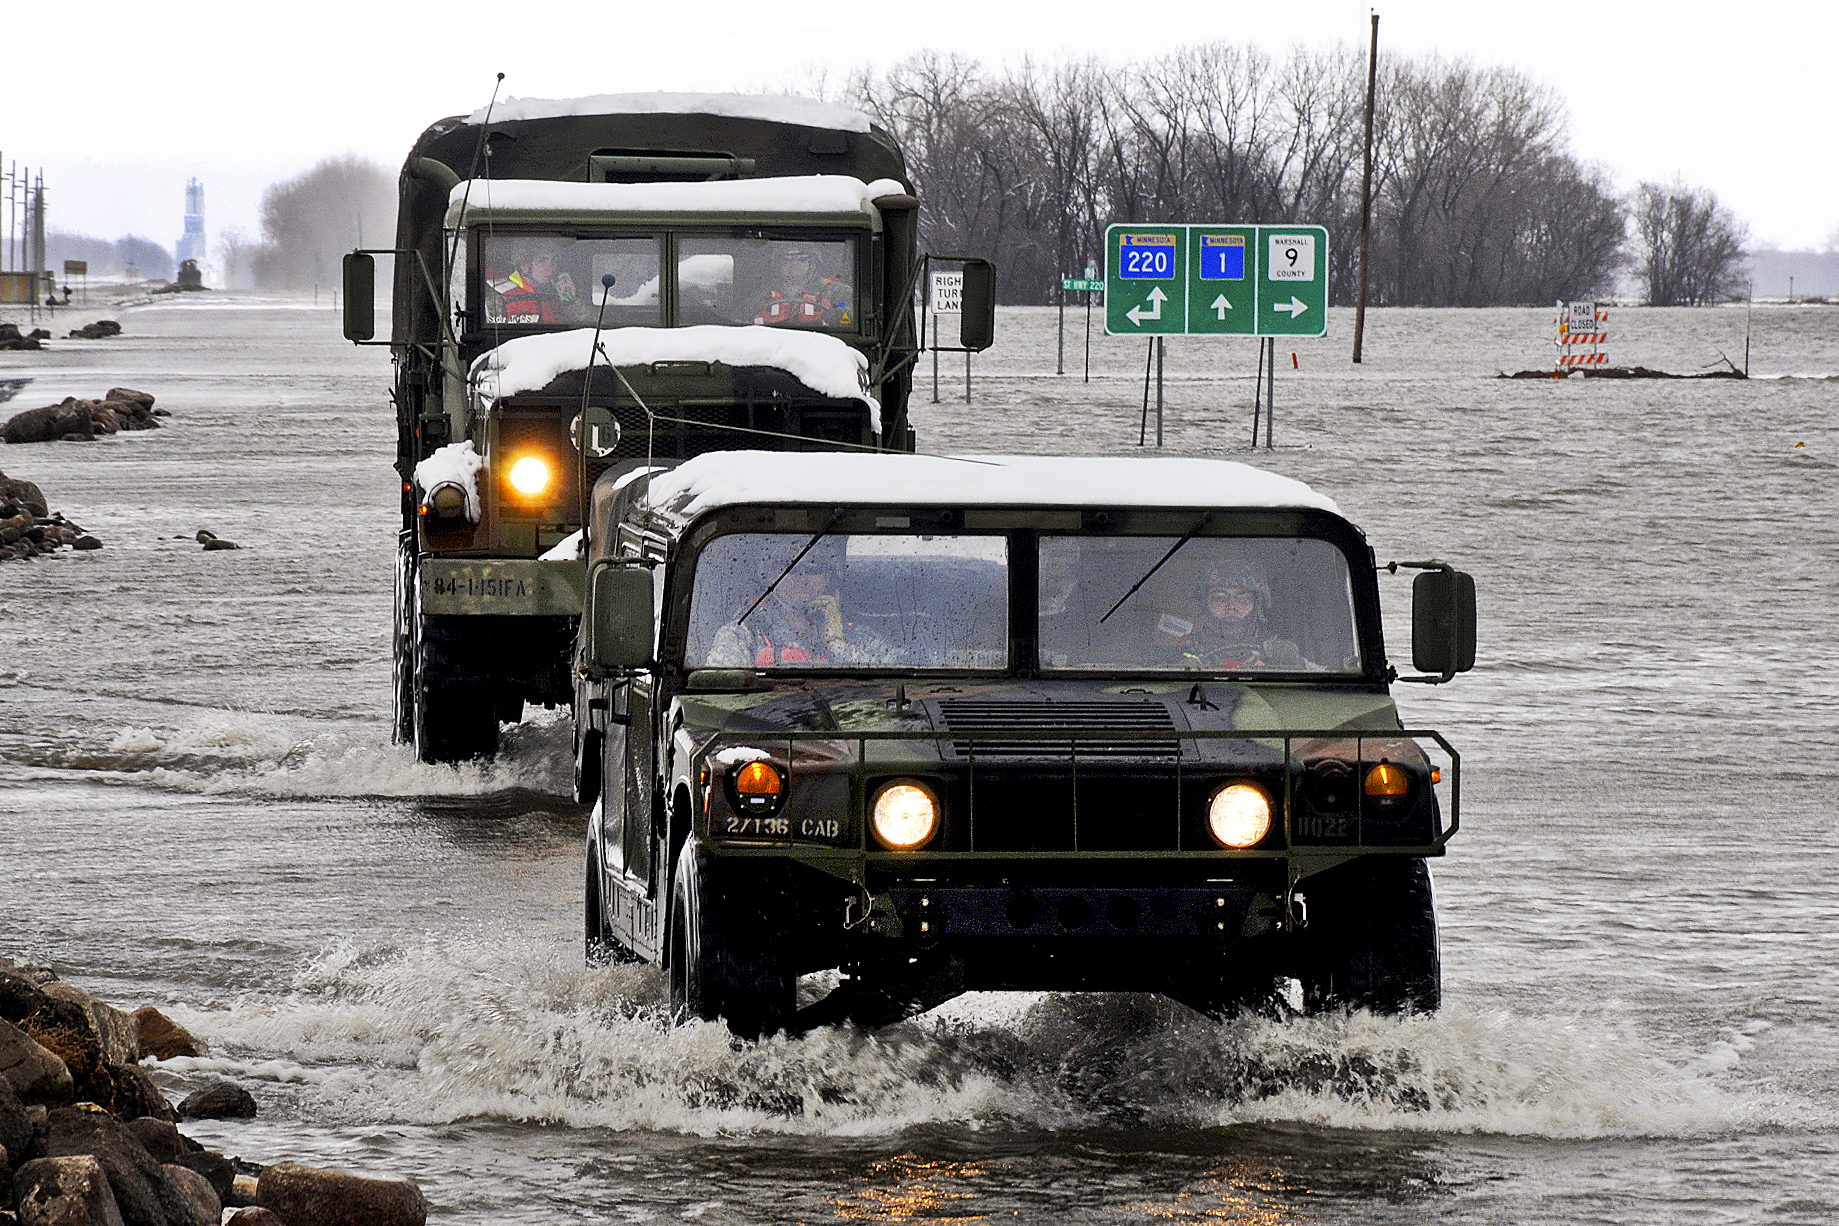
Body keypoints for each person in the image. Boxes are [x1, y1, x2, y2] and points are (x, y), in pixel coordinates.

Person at [704, 544, 883, 667]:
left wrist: (837, 645)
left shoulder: (851, 632)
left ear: (828, 577)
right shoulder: (743, 635)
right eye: (791, 569)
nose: (803, 578)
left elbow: (898, 676)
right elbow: (718, 693)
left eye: (814, 568)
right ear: (770, 577)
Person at [1163, 562, 1304, 669]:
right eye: (1219, 598)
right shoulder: (1183, 649)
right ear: (1204, 603)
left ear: (1257, 604)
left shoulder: (1280, 653)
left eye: (1243, 599)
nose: (1231, 606)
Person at [751, 245, 853, 329]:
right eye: (787, 258)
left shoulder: (835, 291)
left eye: (802, 258)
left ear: (812, 263)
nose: (795, 264)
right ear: (778, 264)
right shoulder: (762, 295)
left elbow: (854, 316)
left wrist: (834, 315)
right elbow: (740, 319)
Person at [486, 239, 586, 325]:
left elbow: (582, 328)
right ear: (524, 265)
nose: (551, 267)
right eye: (542, 260)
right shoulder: (498, 292)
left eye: (554, 260)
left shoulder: (558, 292)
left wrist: (570, 300)